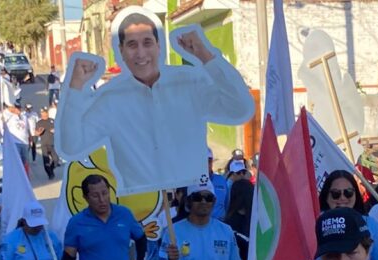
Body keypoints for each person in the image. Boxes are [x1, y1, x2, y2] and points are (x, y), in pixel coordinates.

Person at [55, 14, 254, 193]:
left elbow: (240, 108)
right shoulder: (110, 99)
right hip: (142, 207)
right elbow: (72, 146)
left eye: (147, 42)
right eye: (132, 45)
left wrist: (206, 56)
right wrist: (75, 88)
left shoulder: (189, 84)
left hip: (192, 199)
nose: (141, 53)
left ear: (159, 47)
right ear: (121, 51)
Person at [318, 169, 378, 260]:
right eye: (335, 194)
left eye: (348, 193)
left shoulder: (370, 225)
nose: (342, 198)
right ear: (326, 196)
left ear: (356, 194)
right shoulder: (315, 224)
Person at [3, 103, 31, 169]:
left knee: (25, 160)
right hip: (15, 142)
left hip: (25, 142)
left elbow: (27, 129)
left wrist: (30, 139)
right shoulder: (10, 117)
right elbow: (4, 123)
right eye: (17, 108)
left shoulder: (24, 117)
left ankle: (25, 174)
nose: (18, 110)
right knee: (17, 160)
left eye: (19, 108)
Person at [34, 106, 57, 178]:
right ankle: (50, 174)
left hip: (52, 143)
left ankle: (51, 169)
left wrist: (55, 131)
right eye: (43, 113)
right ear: (41, 114)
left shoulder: (52, 120)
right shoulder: (39, 123)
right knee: (46, 160)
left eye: (46, 112)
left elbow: (58, 129)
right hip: (44, 144)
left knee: (56, 159)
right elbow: (36, 133)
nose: (45, 114)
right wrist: (39, 132)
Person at [208, 146, 229, 220]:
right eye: (203, 160)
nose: (207, 164)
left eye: (209, 161)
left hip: (220, 222)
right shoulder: (193, 182)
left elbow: (227, 203)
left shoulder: (221, 180)